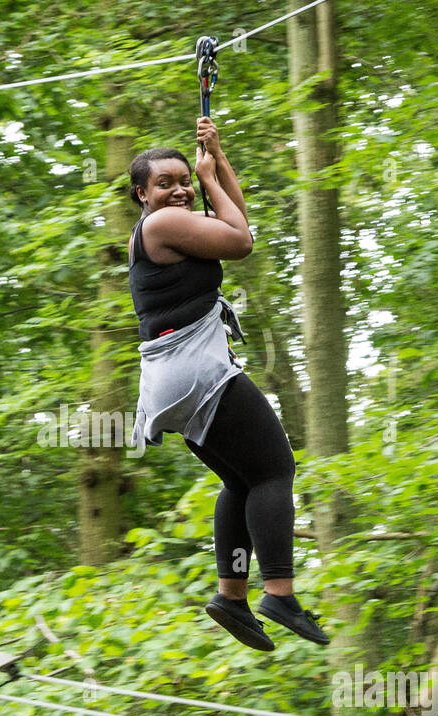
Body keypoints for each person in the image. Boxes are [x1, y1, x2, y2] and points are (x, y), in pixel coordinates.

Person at [128, 117, 329, 652]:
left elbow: (240, 225)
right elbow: (239, 242)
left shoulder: (171, 225)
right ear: (141, 195)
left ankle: (231, 596)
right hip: (196, 370)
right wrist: (208, 179)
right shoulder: (160, 226)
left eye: (182, 180)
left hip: (173, 379)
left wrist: (216, 161)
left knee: (242, 482)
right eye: (164, 183)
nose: (178, 189)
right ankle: (280, 593)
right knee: (275, 470)